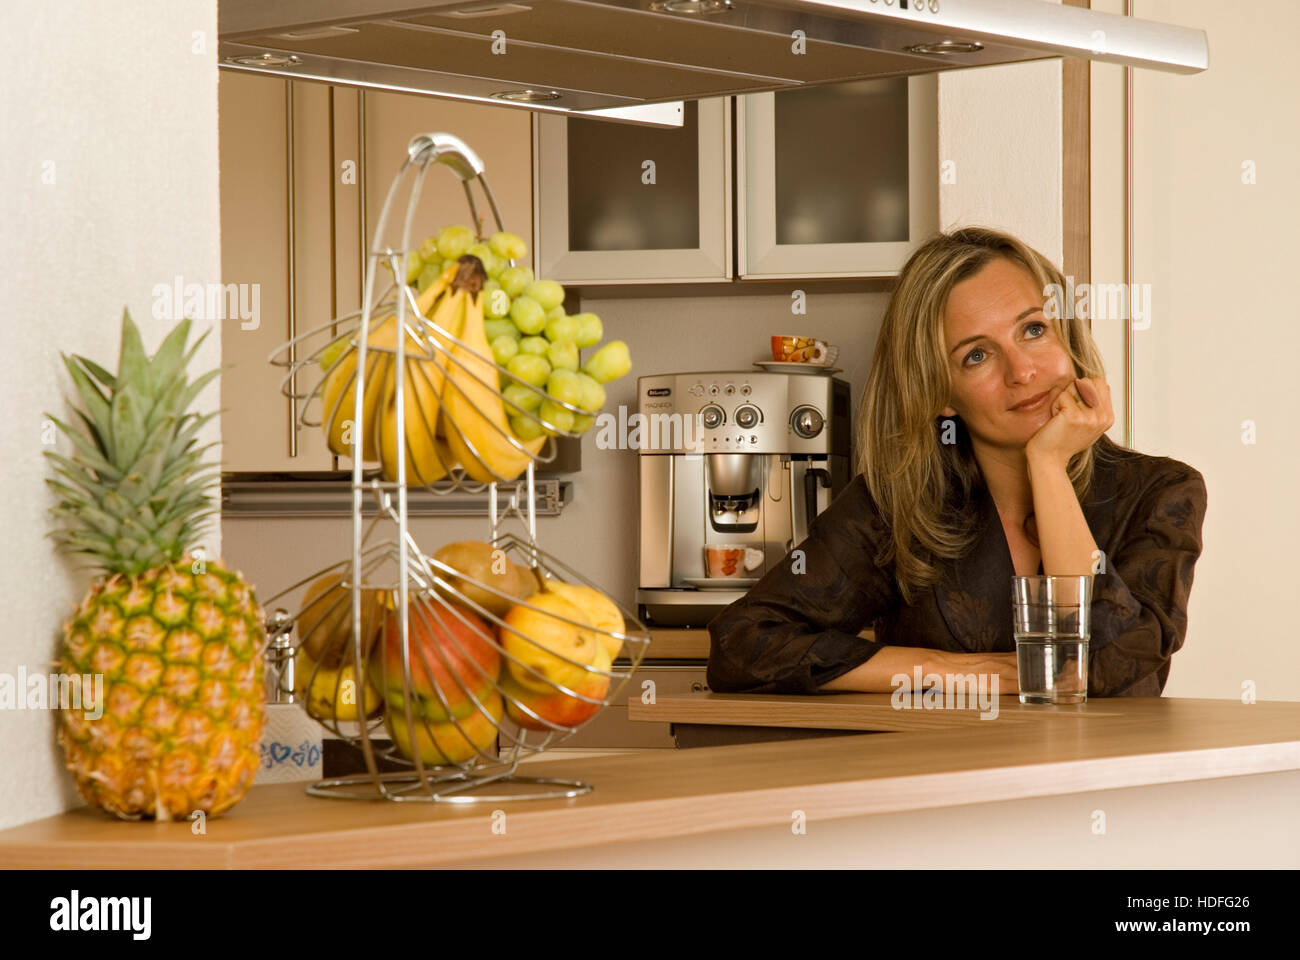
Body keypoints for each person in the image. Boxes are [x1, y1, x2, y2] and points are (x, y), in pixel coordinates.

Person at [706, 226, 1207, 698]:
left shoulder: (1162, 493)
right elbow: (741, 645)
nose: (1023, 371)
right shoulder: (897, 506)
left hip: (1109, 786)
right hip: (943, 780)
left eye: (1034, 330)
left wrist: (1048, 466)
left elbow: (1102, 666)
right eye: (976, 356)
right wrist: (963, 670)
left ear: (1068, 340)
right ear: (940, 393)